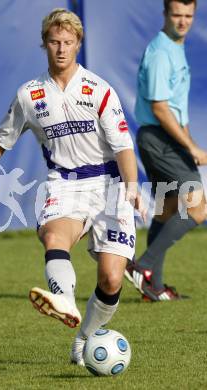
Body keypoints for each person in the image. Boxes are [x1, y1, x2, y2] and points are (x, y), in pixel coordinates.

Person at [0, 8, 144, 366]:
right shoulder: (30, 95)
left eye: (68, 42)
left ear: (78, 44)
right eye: (54, 42)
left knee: (112, 278)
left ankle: (83, 339)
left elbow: (124, 146)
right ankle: (64, 300)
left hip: (109, 184)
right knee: (54, 237)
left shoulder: (99, 90)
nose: (61, 49)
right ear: (44, 44)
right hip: (64, 185)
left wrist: (131, 187)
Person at [125, 0, 207, 301]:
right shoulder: (160, 52)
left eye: (189, 15)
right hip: (158, 139)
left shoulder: (175, 48)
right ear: (165, 15)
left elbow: (175, 110)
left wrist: (189, 143)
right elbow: (159, 109)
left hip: (165, 138)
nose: (183, 21)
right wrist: (191, 147)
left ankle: (154, 288)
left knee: (167, 210)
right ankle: (141, 267)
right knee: (198, 207)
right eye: (177, 15)